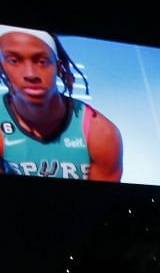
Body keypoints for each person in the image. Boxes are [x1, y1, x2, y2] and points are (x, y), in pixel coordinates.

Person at [0, 27, 122, 181]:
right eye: (14, 61)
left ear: (58, 67)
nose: (30, 74)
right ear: (2, 66)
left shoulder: (101, 134)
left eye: (42, 61)